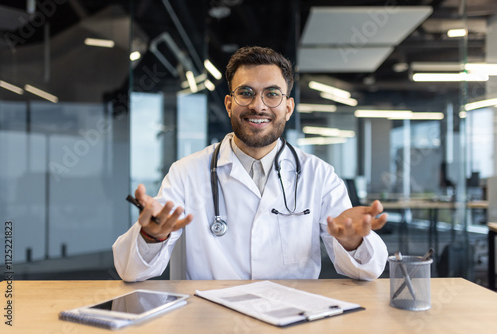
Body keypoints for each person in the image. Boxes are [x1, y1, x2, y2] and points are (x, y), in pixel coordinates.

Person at [113, 46, 388, 282]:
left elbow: (369, 271)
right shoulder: (186, 173)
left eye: (272, 94)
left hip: (292, 316)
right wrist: (152, 236)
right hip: (209, 320)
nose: (258, 105)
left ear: (288, 108)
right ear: (229, 104)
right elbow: (131, 271)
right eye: (246, 93)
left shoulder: (319, 175)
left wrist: (352, 241)